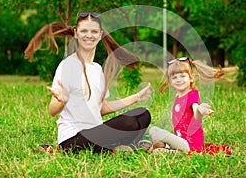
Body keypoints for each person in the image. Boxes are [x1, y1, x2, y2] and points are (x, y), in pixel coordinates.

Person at [24, 12, 152, 154]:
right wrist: (62, 99)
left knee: (142, 115)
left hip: (96, 133)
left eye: (94, 31)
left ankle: (112, 148)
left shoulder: (97, 69)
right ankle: (117, 148)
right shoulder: (69, 65)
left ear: (100, 33)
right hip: (73, 139)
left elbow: (102, 109)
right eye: (84, 31)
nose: (89, 35)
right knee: (129, 123)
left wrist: (136, 97)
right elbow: (52, 110)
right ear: (76, 33)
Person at [149, 57, 235, 154]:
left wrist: (200, 110)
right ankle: (165, 148)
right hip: (181, 140)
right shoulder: (178, 96)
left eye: (182, 76)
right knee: (154, 130)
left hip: (190, 145)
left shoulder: (192, 96)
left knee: (157, 134)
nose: (179, 80)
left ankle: (165, 149)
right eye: (174, 77)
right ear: (170, 82)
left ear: (191, 78)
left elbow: (196, 114)